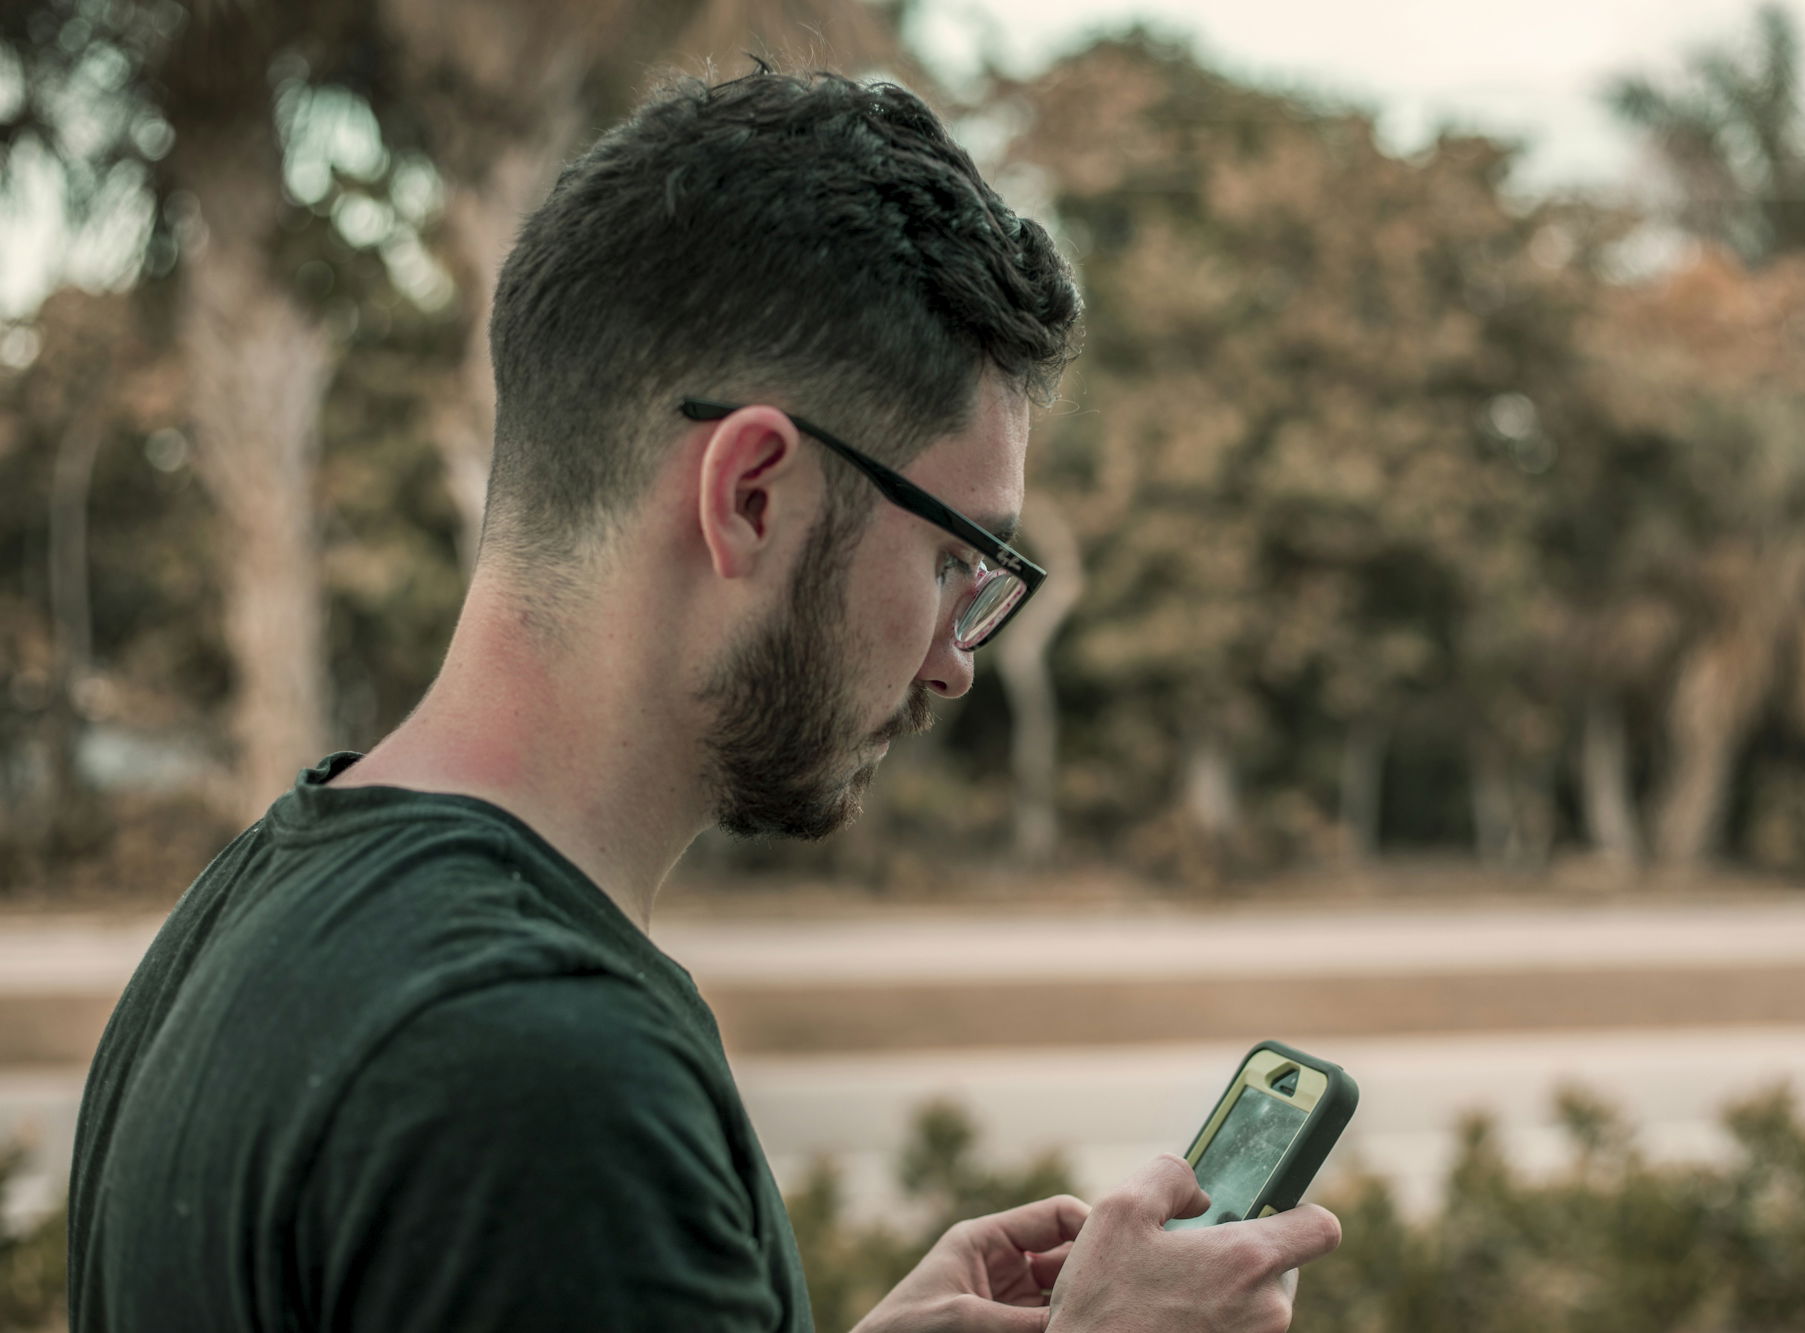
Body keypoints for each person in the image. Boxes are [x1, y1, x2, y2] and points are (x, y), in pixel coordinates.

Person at [67, 69, 1342, 1332]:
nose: (954, 660)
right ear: (750, 495)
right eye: (957, 557)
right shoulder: (542, 1071)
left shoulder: (259, 905)